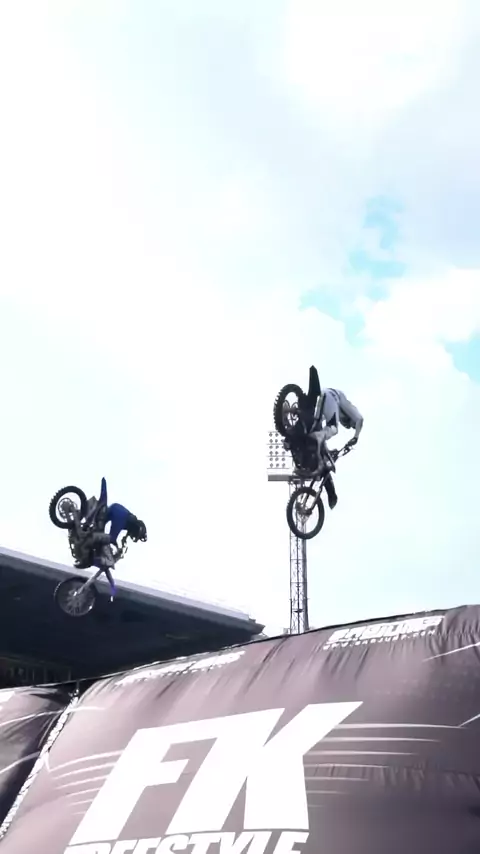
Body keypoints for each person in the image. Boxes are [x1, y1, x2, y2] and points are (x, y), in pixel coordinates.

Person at [295, 370, 364, 510]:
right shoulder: (344, 402)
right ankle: (315, 437)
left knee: (314, 430)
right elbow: (360, 419)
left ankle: (297, 432)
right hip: (330, 397)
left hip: (321, 398)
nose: (348, 425)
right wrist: (356, 436)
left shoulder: (335, 410)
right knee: (333, 428)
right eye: (349, 424)